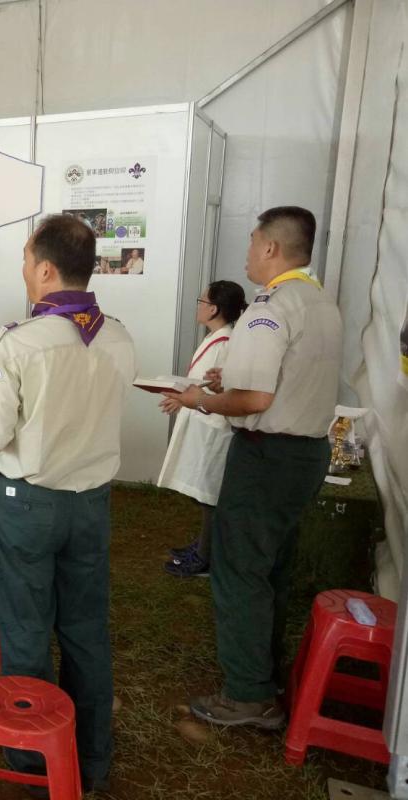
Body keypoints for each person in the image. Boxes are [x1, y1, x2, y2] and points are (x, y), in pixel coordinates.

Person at [0, 214, 135, 793]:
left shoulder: (19, 342)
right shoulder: (117, 335)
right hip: (90, 505)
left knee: (25, 629)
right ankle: (91, 759)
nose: (22, 271)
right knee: (86, 629)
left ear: (43, 268)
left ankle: (35, 761)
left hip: (27, 504)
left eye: (23, 261)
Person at [171, 206, 342, 729]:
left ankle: (248, 695)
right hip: (304, 453)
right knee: (271, 566)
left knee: (240, 567)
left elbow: (257, 398)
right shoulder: (319, 301)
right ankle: (263, 673)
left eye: (251, 242)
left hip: (268, 456)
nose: (247, 252)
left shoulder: (270, 306)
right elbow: (281, 378)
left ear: (270, 248)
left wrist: (200, 398)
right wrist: (232, 377)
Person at [157, 280, 248, 577]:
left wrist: (187, 399)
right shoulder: (218, 338)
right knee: (203, 494)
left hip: (213, 428)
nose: (198, 305)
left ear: (214, 309)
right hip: (202, 420)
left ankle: (206, 558)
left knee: (209, 494)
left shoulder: (226, 343)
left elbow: (219, 388)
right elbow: (203, 382)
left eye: (202, 301)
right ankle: (203, 547)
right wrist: (181, 398)